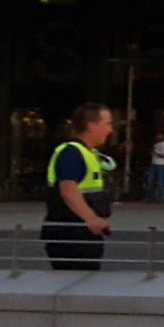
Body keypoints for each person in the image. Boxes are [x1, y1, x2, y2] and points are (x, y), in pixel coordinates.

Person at [44, 103, 115, 270]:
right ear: (91, 126)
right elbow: (68, 189)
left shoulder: (86, 153)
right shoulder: (71, 153)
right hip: (71, 234)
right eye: (107, 124)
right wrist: (91, 218)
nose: (110, 130)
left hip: (81, 233)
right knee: (77, 282)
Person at [146, 133, 164, 202]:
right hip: (154, 163)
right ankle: (150, 197)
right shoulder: (156, 144)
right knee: (150, 181)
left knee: (160, 181)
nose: (158, 137)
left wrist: (155, 152)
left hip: (162, 164)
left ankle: (160, 198)